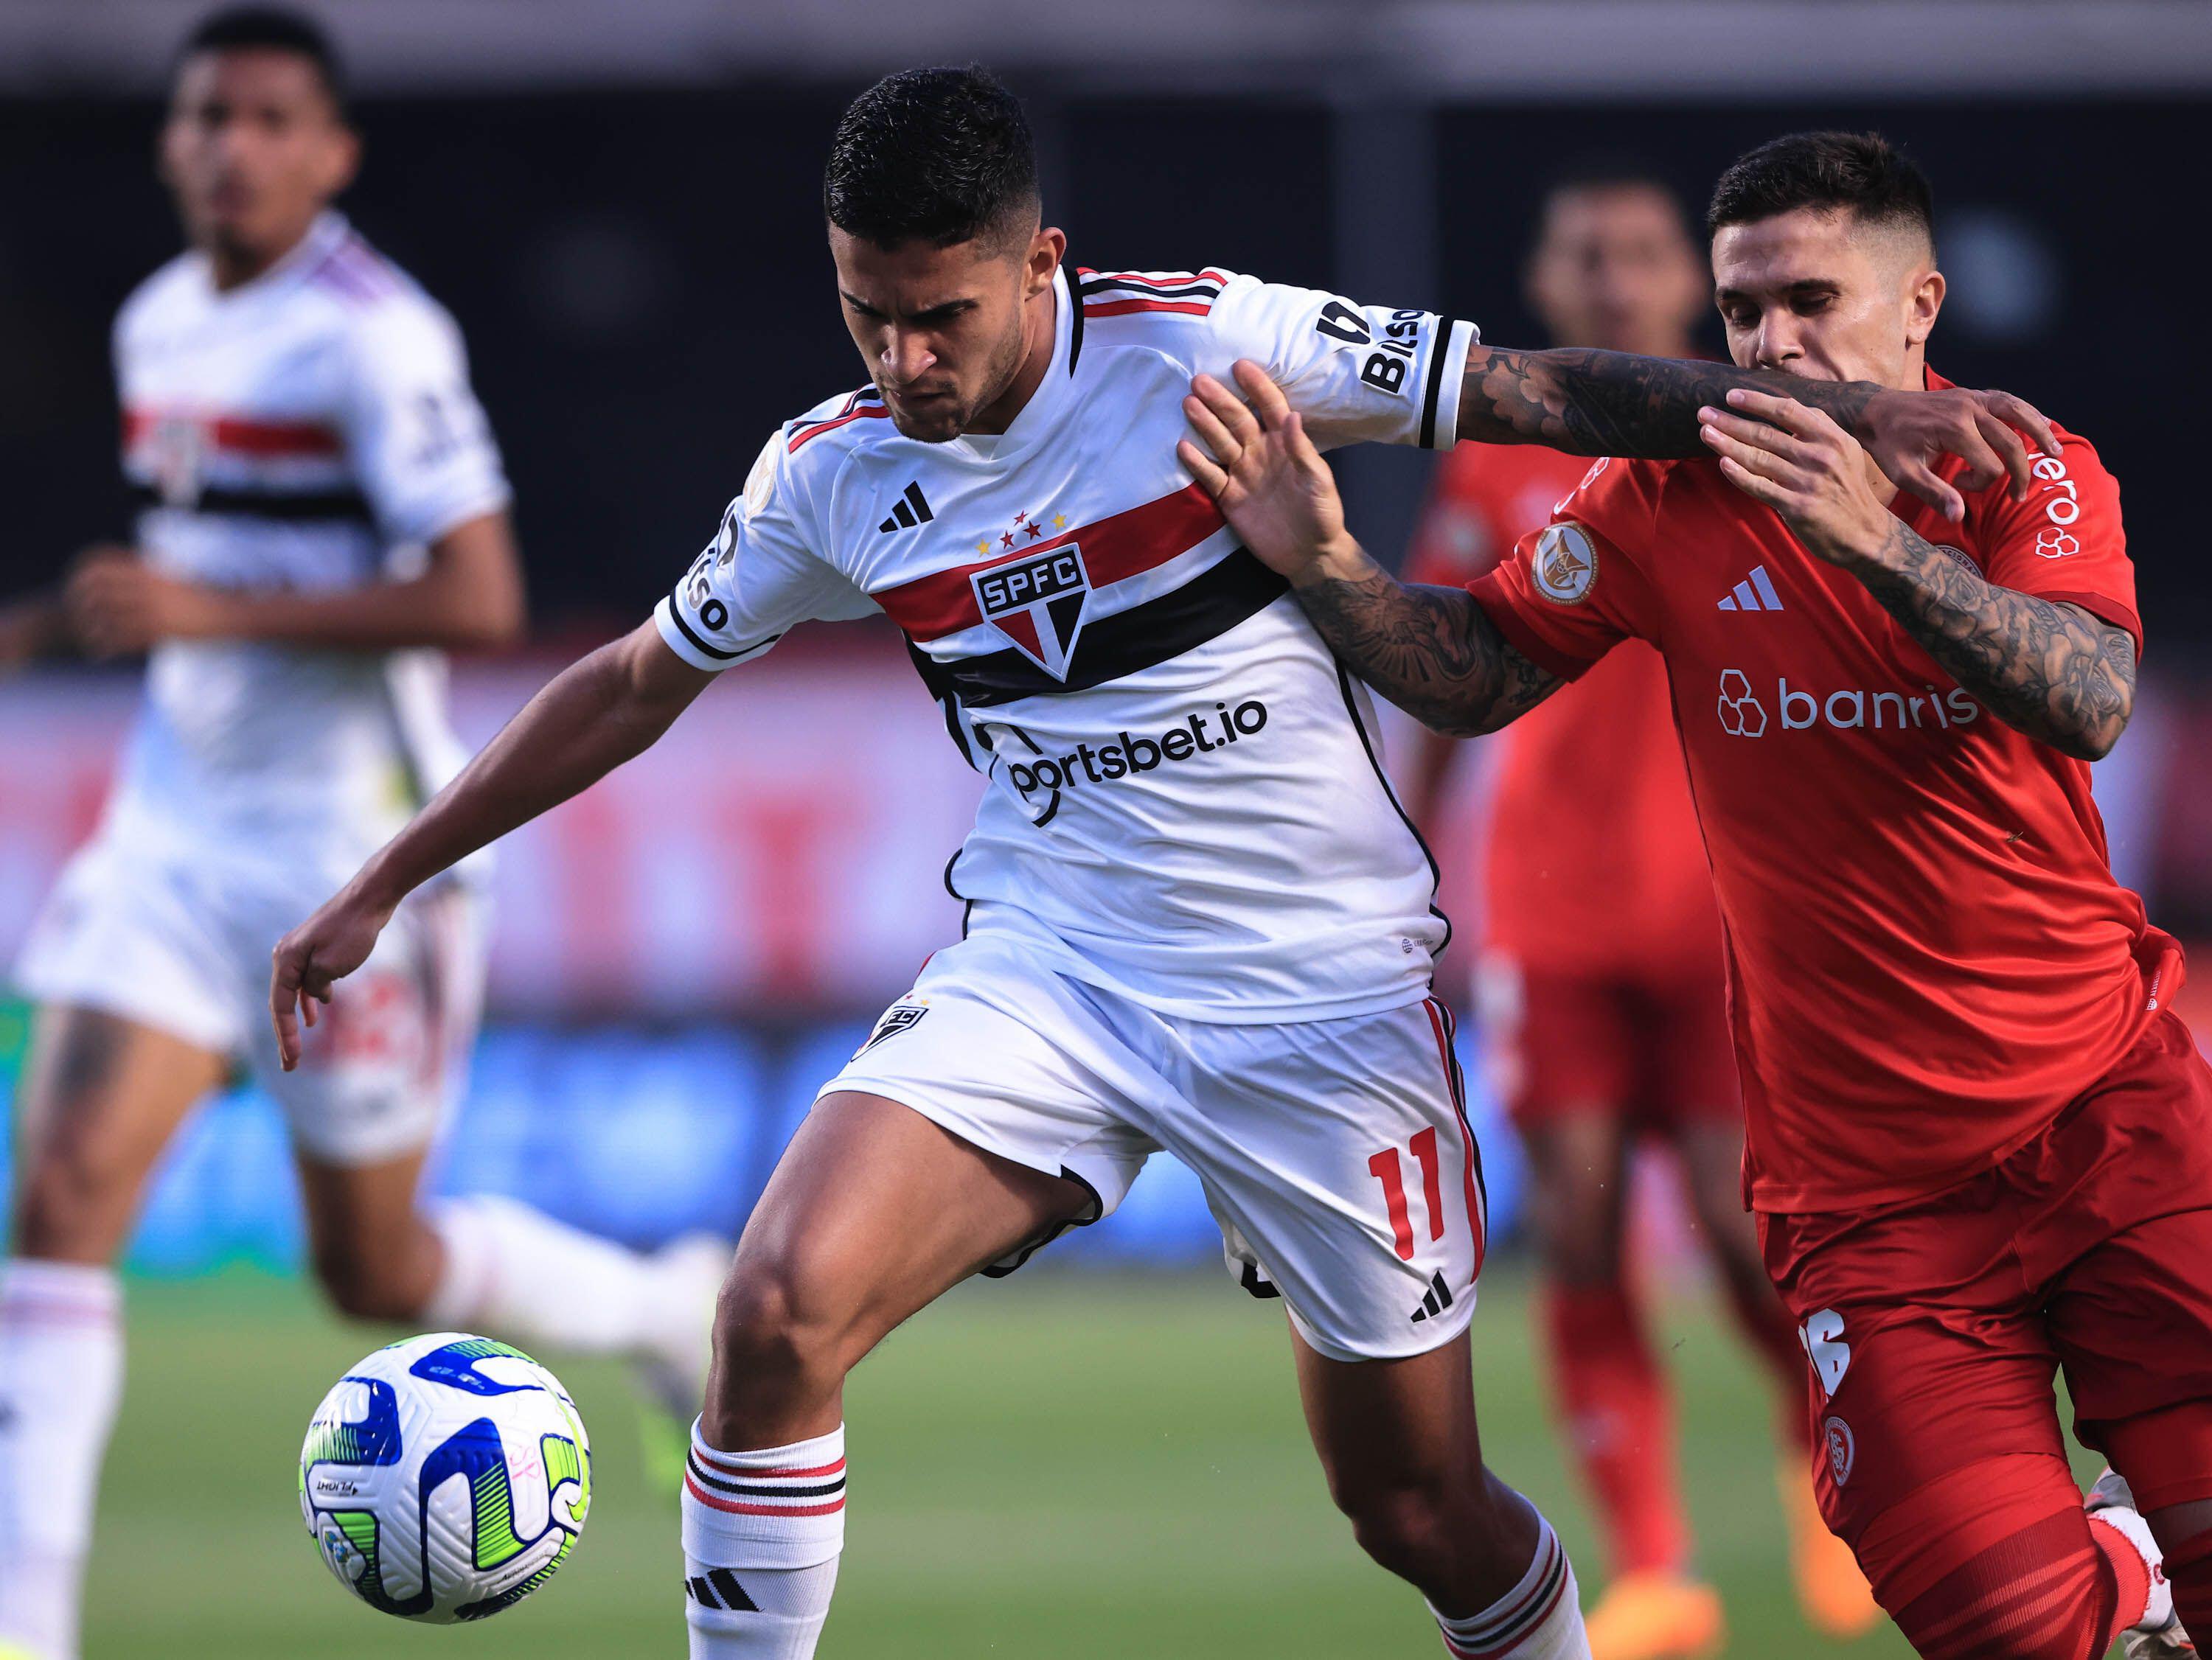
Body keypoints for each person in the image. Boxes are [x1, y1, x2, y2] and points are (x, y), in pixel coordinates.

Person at [270, 70, 2052, 1658]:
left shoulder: (1208, 345)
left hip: (1324, 1005)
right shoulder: (831, 472)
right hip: (1053, 970)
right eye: (865, 315)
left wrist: (1845, 424)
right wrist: (388, 878)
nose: (904, 362)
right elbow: (637, 680)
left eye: (940, 316)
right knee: (773, 1310)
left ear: (1042, 263)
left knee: (1418, 1512)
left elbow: (1532, 391)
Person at [1178, 130, 2199, 1660]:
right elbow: (1477, 670)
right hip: (1873, 1203)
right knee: (2011, 1625)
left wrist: (1876, 548)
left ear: (1918, 307)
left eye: (1812, 298)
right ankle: (2126, 1553)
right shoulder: (1660, 502)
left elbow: (2092, 696)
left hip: (2109, 1122)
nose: (1774, 343)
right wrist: (1323, 560)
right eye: (1742, 311)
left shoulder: (2019, 468)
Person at [0, 13, 723, 1658]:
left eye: (270, 119)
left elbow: (478, 591)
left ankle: (657, 1305)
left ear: (330, 154)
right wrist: (68, 621)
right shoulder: (160, 320)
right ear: (172, 143)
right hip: (172, 832)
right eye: (207, 117)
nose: (233, 146)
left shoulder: (375, 339)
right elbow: (220, 554)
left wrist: (205, 608)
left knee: (377, 1272)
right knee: (57, 1203)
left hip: (350, 851)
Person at [1401, 164, 1874, 1655]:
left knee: (1747, 1244)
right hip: (1552, 914)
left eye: (1640, 254)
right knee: (1588, 1226)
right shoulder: (1492, 464)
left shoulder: (1759, 449)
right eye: (1585, 254)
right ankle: (1657, 1563)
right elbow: (1448, 664)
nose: (1612, 279)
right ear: (1548, 287)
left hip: (1717, 910)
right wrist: (1408, 858)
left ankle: (1830, 1459)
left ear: (1691, 286)